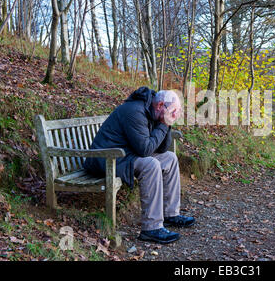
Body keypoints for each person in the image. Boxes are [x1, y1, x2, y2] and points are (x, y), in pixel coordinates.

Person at [83, 86, 195, 244]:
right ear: (160, 104)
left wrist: (166, 124)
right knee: (151, 164)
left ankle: (170, 214)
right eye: (173, 111)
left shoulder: (152, 110)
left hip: (126, 154)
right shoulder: (135, 111)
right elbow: (145, 150)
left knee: (169, 158)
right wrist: (163, 124)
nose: (175, 115)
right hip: (107, 159)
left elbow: (161, 148)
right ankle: (151, 228)